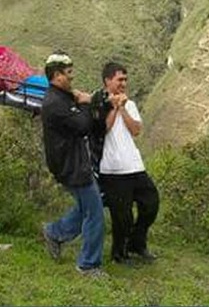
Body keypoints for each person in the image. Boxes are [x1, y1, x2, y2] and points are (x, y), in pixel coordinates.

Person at [40, 51, 107, 277]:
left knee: (84, 207)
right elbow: (82, 126)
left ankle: (54, 232)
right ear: (57, 75)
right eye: (69, 73)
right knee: (95, 213)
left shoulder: (60, 97)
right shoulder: (55, 103)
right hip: (72, 166)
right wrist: (87, 103)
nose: (72, 77)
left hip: (72, 162)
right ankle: (88, 264)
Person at [96, 62, 159, 264]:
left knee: (151, 204)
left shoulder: (129, 104)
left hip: (134, 166)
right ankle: (119, 254)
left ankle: (136, 243)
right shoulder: (99, 103)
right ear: (108, 80)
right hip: (113, 170)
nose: (123, 83)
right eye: (119, 79)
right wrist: (114, 107)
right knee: (122, 216)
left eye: (125, 80)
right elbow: (103, 129)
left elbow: (136, 130)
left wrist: (123, 108)